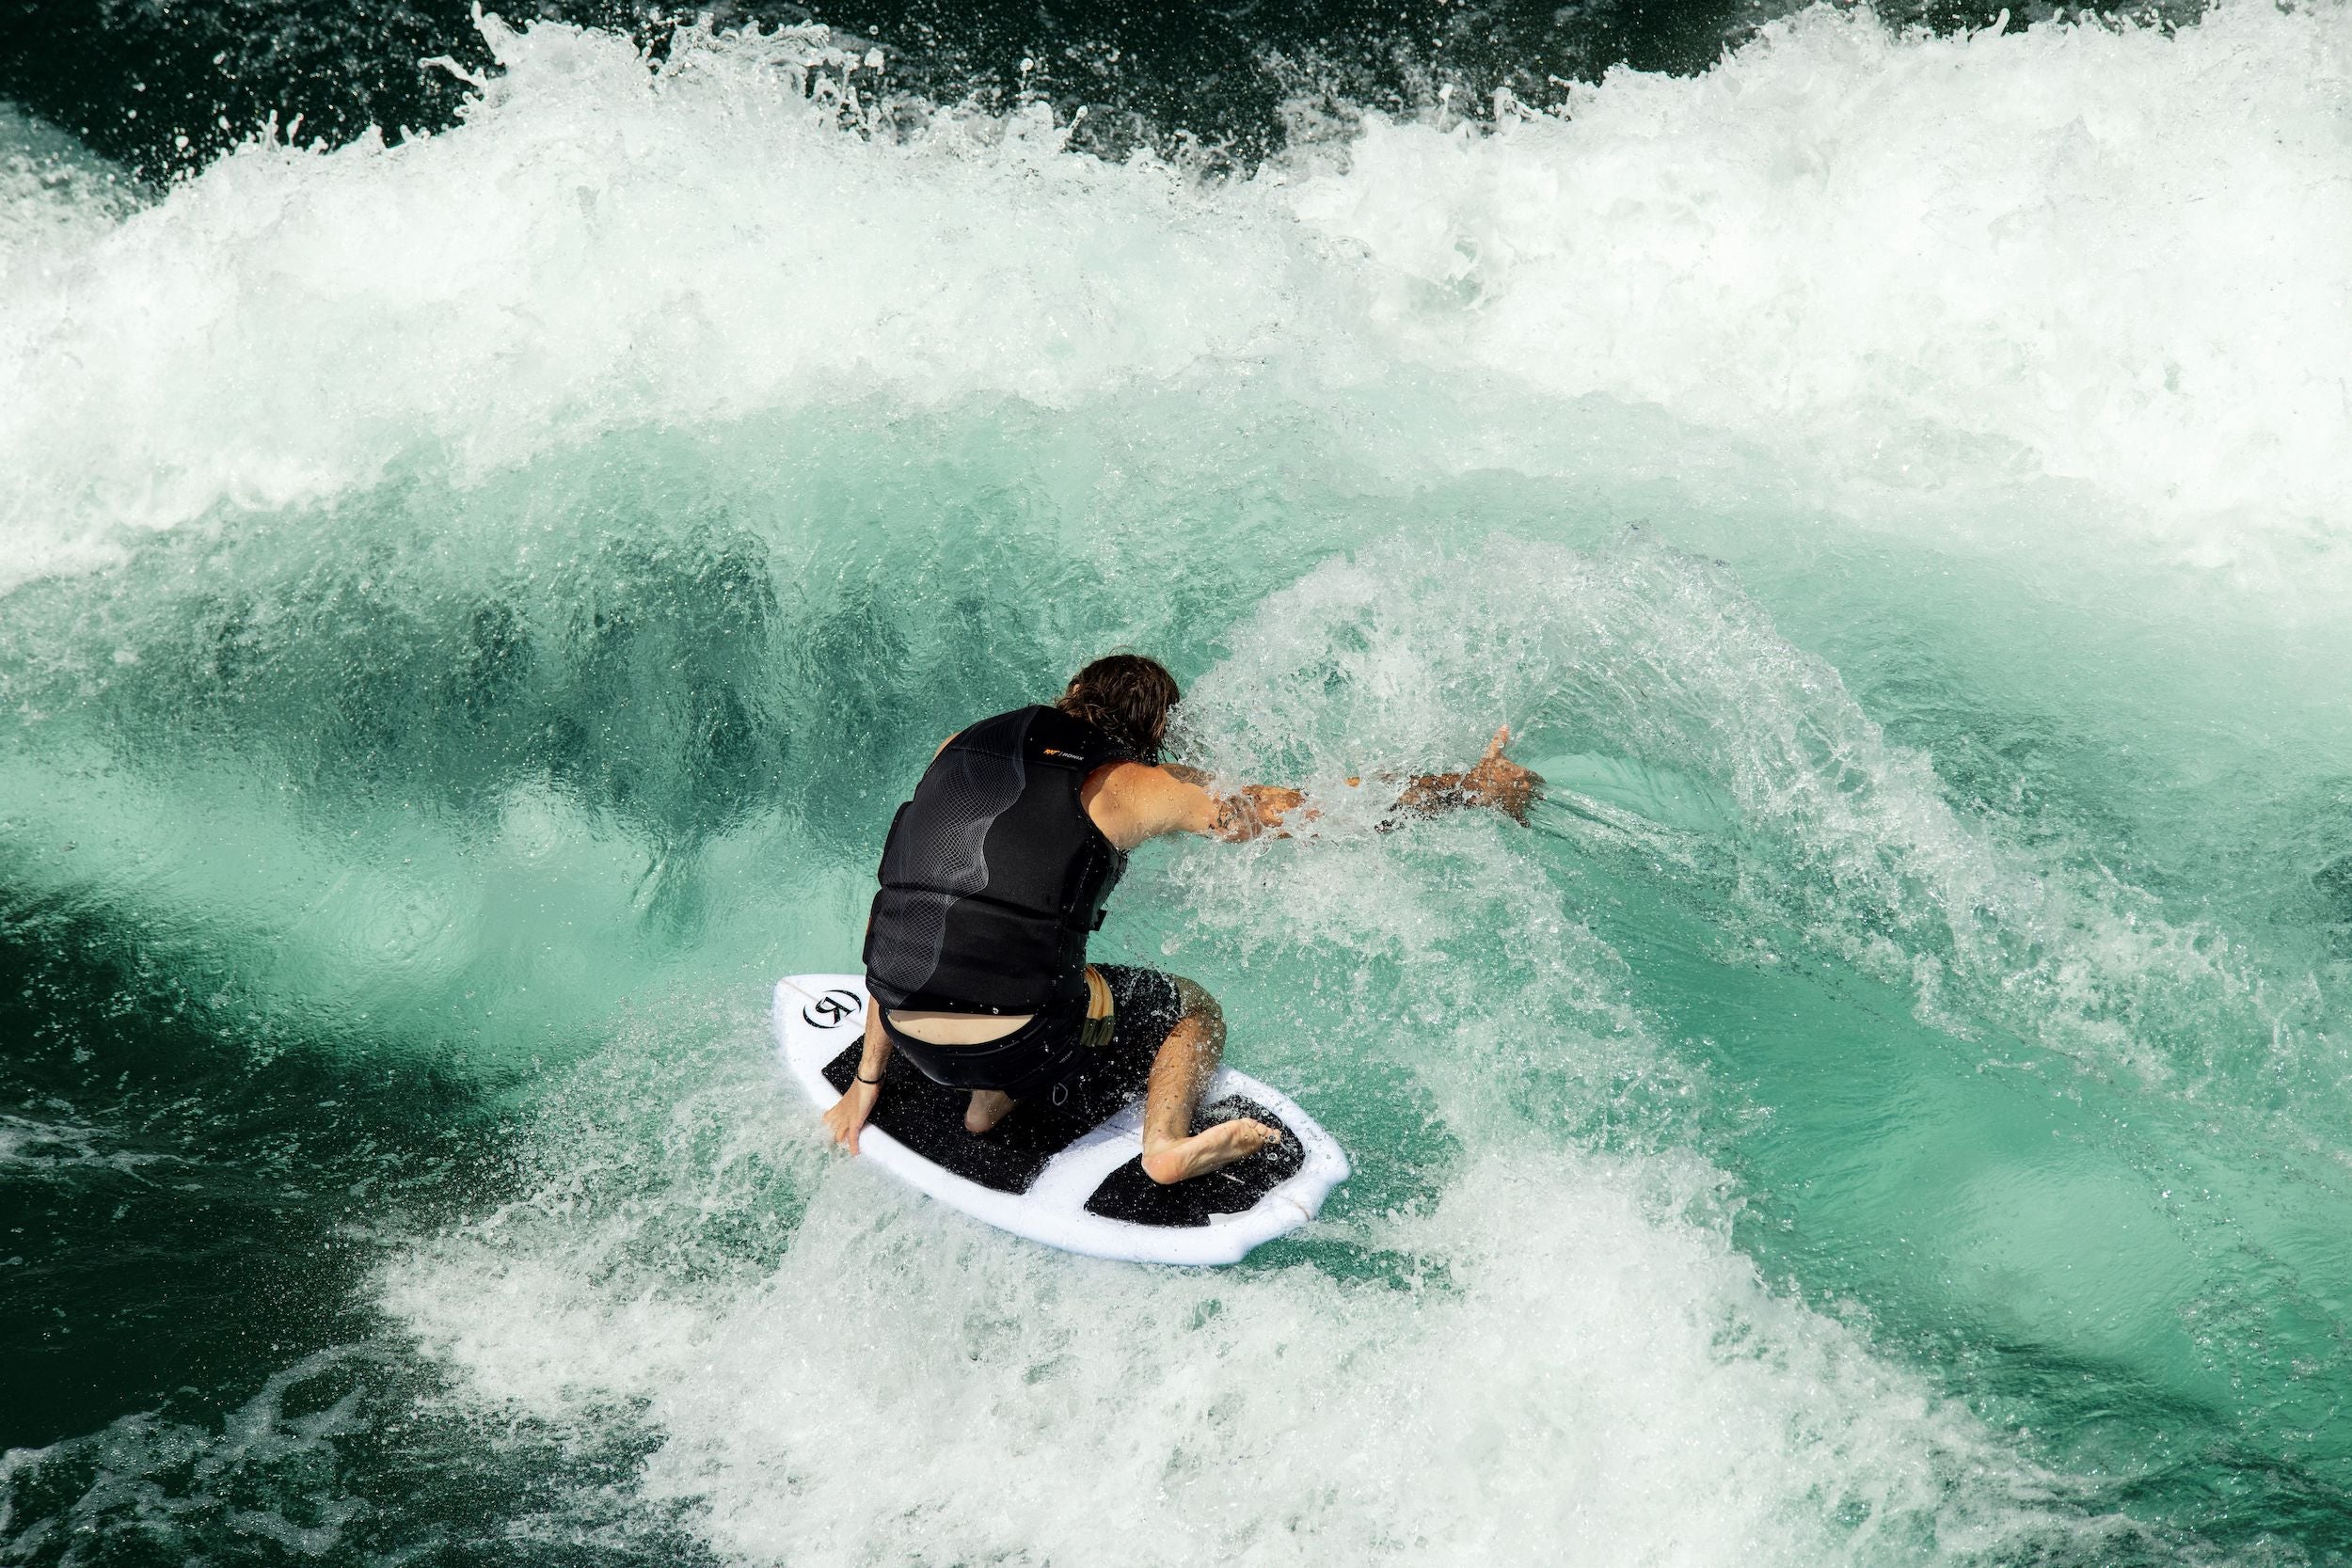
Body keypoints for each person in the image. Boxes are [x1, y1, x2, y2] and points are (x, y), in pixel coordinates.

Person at [820, 654, 1541, 1183]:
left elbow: (910, 896)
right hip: (1020, 1038)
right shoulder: (1131, 783)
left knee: (940, 915)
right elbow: (1322, 810)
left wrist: (866, 1084)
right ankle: (1163, 1144)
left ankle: (983, 1103)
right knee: (1192, 1008)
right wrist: (1469, 788)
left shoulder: (959, 746)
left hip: (905, 1023)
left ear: (1073, 695)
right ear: (1157, 729)